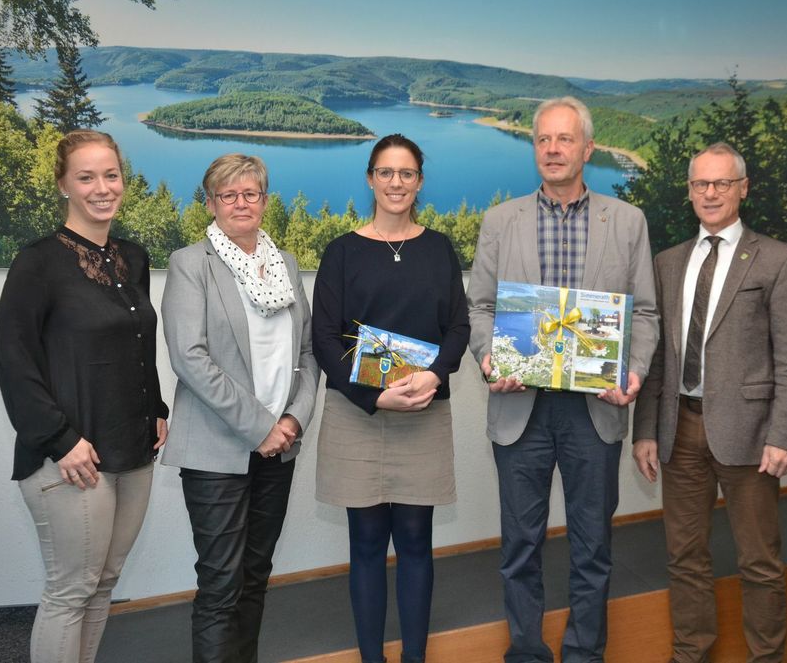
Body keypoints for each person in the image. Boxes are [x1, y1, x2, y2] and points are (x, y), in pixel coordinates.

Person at [467, 96, 658, 663]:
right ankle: (526, 651)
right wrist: (488, 359)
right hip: (519, 406)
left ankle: (583, 654)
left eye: (564, 139)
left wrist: (635, 371)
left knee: (592, 547)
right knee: (519, 546)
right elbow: (479, 308)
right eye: (543, 140)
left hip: (594, 410)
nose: (552, 149)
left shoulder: (626, 221)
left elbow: (644, 313)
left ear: (588, 148)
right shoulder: (501, 221)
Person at [0, 129, 169, 663]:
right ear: (63, 185)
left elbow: (138, 343)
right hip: (71, 459)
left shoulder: (132, 258)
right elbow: (14, 361)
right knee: (71, 590)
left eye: (110, 175)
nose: (102, 187)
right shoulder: (37, 262)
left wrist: (156, 408)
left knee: (103, 582)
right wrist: (60, 440)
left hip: (132, 449)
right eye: (86, 177)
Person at [631, 142, 787, 663]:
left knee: (759, 562)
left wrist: (785, 434)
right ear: (689, 192)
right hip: (678, 428)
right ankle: (691, 654)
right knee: (684, 557)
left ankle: (766, 658)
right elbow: (658, 356)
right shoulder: (667, 263)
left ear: (742, 188)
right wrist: (645, 430)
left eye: (721, 183)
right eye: (700, 184)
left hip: (751, 435)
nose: (710, 193)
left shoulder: (778, 259)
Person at [312, 134, 469, 663]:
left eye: (406, 173)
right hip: (358, 415)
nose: (396, 182)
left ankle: (414, 658)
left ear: (419, 181)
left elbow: (459, 327)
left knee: (417, 542)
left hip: (423, 411)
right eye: (385, 172)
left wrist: (436, 375)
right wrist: (373, 399)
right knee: (366, 546)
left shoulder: (440, 248)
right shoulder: (341, 251)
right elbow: (324, 340)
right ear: (370, 178)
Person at [161, 154, 319, 663]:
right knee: (221, 586)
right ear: (211, 204)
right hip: (216, 451)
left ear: (265, 202)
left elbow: (308, 353)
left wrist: (293, 419)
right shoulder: (191, 264)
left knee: (255, 578)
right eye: (228, 195)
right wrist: (260, 427)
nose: (240, 203)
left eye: (250, 193)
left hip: (280, 449)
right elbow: (190, 357)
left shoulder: (286, 264)